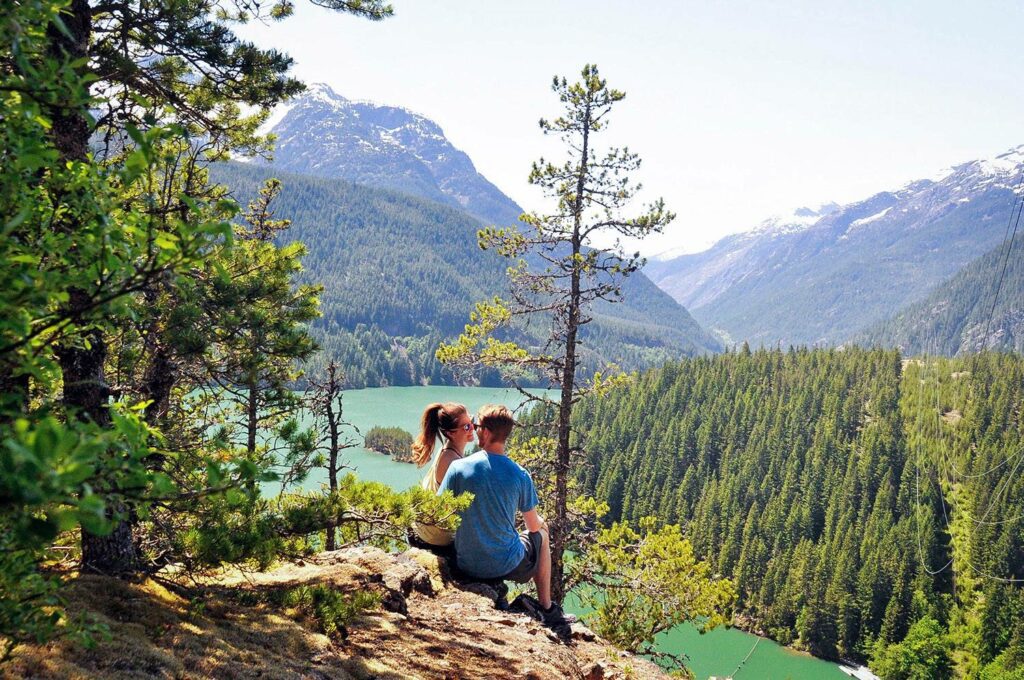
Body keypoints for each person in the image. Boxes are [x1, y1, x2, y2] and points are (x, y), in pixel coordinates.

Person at [438, 404, 575, 627]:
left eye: (477, 425)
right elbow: (532, 527)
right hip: (506, 564)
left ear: (487, 432)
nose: (474, 428)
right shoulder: (520, 474)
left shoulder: (458, 468)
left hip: (466, 564)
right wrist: (543, 525)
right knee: (542, 532)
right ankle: (547, 607)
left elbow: (439, 513)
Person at [410, 402, 474, 548]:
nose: (472, 428)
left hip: (423, 529)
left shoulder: (447, 450)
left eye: (472, 421)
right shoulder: (452, 462)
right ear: (450, 433)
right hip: (433, 538)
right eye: (466, 426)